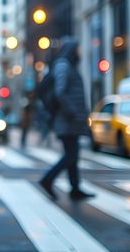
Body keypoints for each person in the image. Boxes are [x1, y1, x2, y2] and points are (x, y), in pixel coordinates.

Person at [39, 37, 95, 200]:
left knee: (73, 155)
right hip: (67, 120)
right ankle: (48, 179)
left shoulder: (67, 65)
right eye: (78, 49)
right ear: (72, 50)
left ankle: (75, 189)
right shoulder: (63, 65)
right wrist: (72, 111)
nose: (80, 52)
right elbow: (60, 91)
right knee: (71, 155)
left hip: (70, 120)